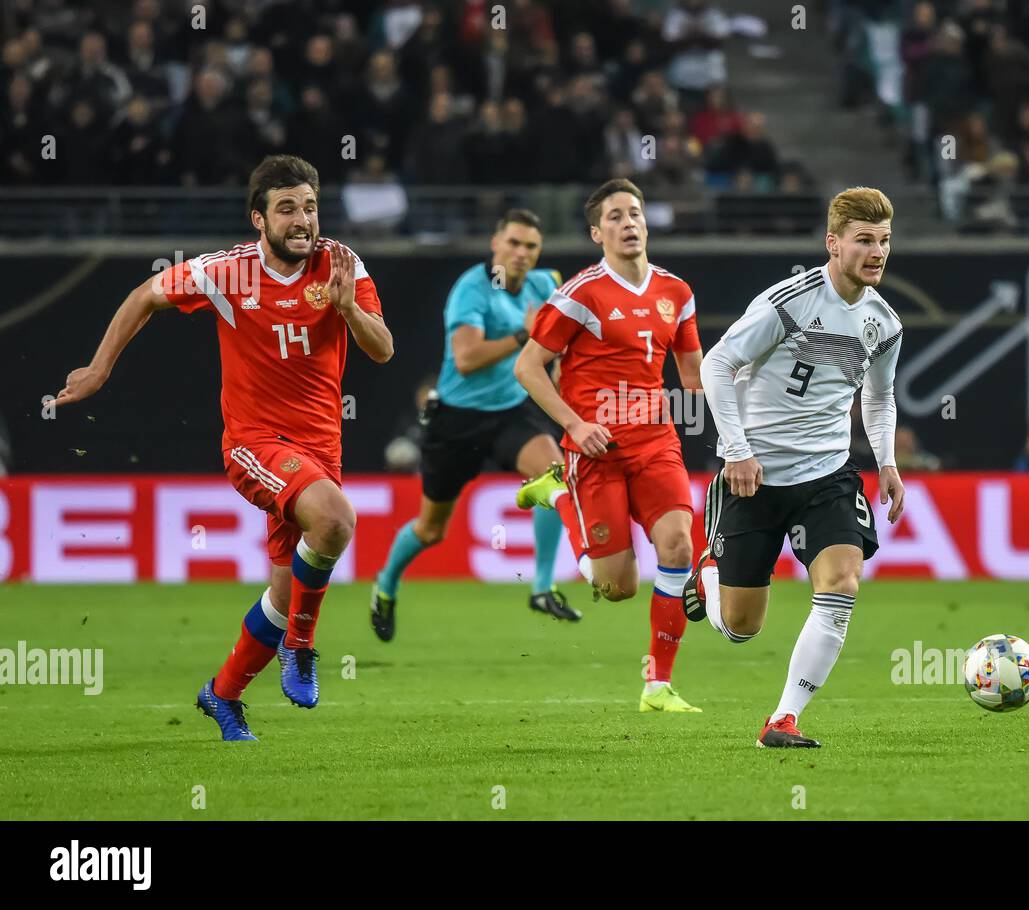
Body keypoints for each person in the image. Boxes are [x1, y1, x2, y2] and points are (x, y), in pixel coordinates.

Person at [53, 155, 393, 741]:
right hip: (254, 444)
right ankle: (303, 649)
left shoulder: (342, 264)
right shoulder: (226, 272)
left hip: (320, 449)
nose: (302, 219)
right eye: (286, 208)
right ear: (258, 219)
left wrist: (348, 308)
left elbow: (382, 349)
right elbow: (145, 295)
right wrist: (98, 368)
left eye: (309, 206)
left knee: (286, 595)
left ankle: (223, 693)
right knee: (336, 521)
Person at [688, 187, 906, 748]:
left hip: (827, 477)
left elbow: (879, 399)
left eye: (883, 240)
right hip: (754, 477)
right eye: (864, 240)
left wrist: (887, 462)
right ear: (833, 244)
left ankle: (782, 720)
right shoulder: (791, 301)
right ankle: (709, 575)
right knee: (741, 628)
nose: (876, 251)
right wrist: (736, 450)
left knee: (842, 584)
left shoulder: (884, 324)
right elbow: (718, 362)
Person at [513, 178, 705, 714]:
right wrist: (575, 427)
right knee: (615, 586)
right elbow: (527, 368)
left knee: (678, 548)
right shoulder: (580, 294)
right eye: (616, 217)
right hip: (593, 450)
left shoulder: (677, 293)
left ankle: (657, 687)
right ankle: (554, 494)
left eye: (635, 213)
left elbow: (693, 379)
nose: (629, 223)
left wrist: (746, 375)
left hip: (655, 441)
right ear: (598, 232)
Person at [370, 209, 578, 640]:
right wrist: (524, 337)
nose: (521, 253)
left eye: (531, 246)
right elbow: (465, 360)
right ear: (495, 244)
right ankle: (386, 584)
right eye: (514, 243)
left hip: (509, 412)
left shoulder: (545, 286)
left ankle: (542, 587)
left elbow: (555, 351)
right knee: (431, 530)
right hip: (457, 420)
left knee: (557, 476)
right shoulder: (471, 288)